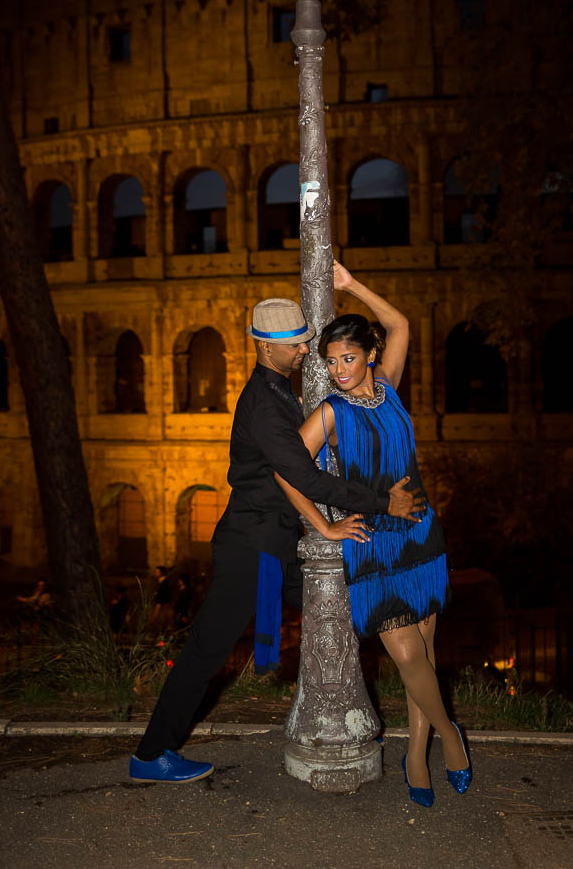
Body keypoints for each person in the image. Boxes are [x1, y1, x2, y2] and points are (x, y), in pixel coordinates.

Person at [129, 296, 424, 784]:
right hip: (252, 545)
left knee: (343, 614)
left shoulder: (278, 389)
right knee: (208, 648)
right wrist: (379, 501)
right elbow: (303, 477)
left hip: (276, 541)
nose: (308, 348)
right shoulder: (264, 404)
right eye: (300, 342)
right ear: (269, 347)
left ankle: (341, 722)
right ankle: (151, 753)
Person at [275, 262, 472, 807]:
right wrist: (324, 525)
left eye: (348, 358)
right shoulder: (331, 413)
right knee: (408, 656)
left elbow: (401, 324)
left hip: (420, 532)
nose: (339, 370)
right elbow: (287, 469)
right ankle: (451, 738)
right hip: (372, 544)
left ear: (368, 355)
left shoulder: (388, 385)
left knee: (425, 655)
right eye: (332, 362)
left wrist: (350, 285)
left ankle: (415, 755)